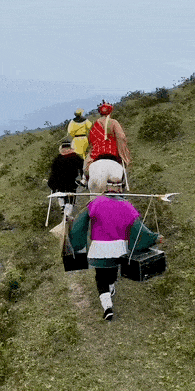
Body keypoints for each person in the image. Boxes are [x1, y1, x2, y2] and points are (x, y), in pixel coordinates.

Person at [68, 180, 163, 320]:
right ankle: (111, 287)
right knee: (112, 272)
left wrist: (71, 236)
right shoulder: (127, 206)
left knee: (100, 277)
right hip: (118, 249)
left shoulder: (95, 203)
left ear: (106, 188)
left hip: (99, 248)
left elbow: (80, 222)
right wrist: (154, 238)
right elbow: (138, 228)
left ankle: (107, 307)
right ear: (120, 190)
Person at [85, 101, 131, 194]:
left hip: (97, 153)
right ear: (110, 111)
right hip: (112, 152)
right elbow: (121, 137)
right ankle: (124, 183)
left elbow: (91, 139)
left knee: (86, 165)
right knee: (123, 166)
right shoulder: (114, 122)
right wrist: (122, 149)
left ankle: (85, 180)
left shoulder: (95, 124)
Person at [47, 140, 83, 217]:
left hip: (59, 182)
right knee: (70, 196)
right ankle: (67, 212)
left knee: (60, 192)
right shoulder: (76, 157)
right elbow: (82, 168)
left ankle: (62, 206)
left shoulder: (57, 158)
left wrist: (51, 183)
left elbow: (53, 172)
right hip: (70, 182)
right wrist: (83, 179)